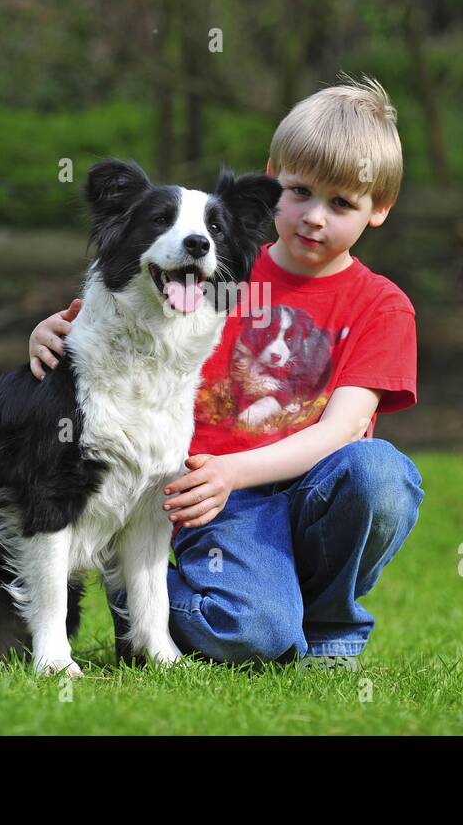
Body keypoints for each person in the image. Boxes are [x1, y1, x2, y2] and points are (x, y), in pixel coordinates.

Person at [29, 74, 425, 670]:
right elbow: (111, 318)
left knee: (382, 475)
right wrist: (47, 329)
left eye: (341, 203)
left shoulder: (382, 306)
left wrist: (233, 471)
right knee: (253, 634)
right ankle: (141, 599)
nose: (314, 217)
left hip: (309, 490)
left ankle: (326, 626)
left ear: (379, 211)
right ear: (272, 180)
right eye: (299, 192)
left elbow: (343, 430)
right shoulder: (217, 262)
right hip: (218, 505)